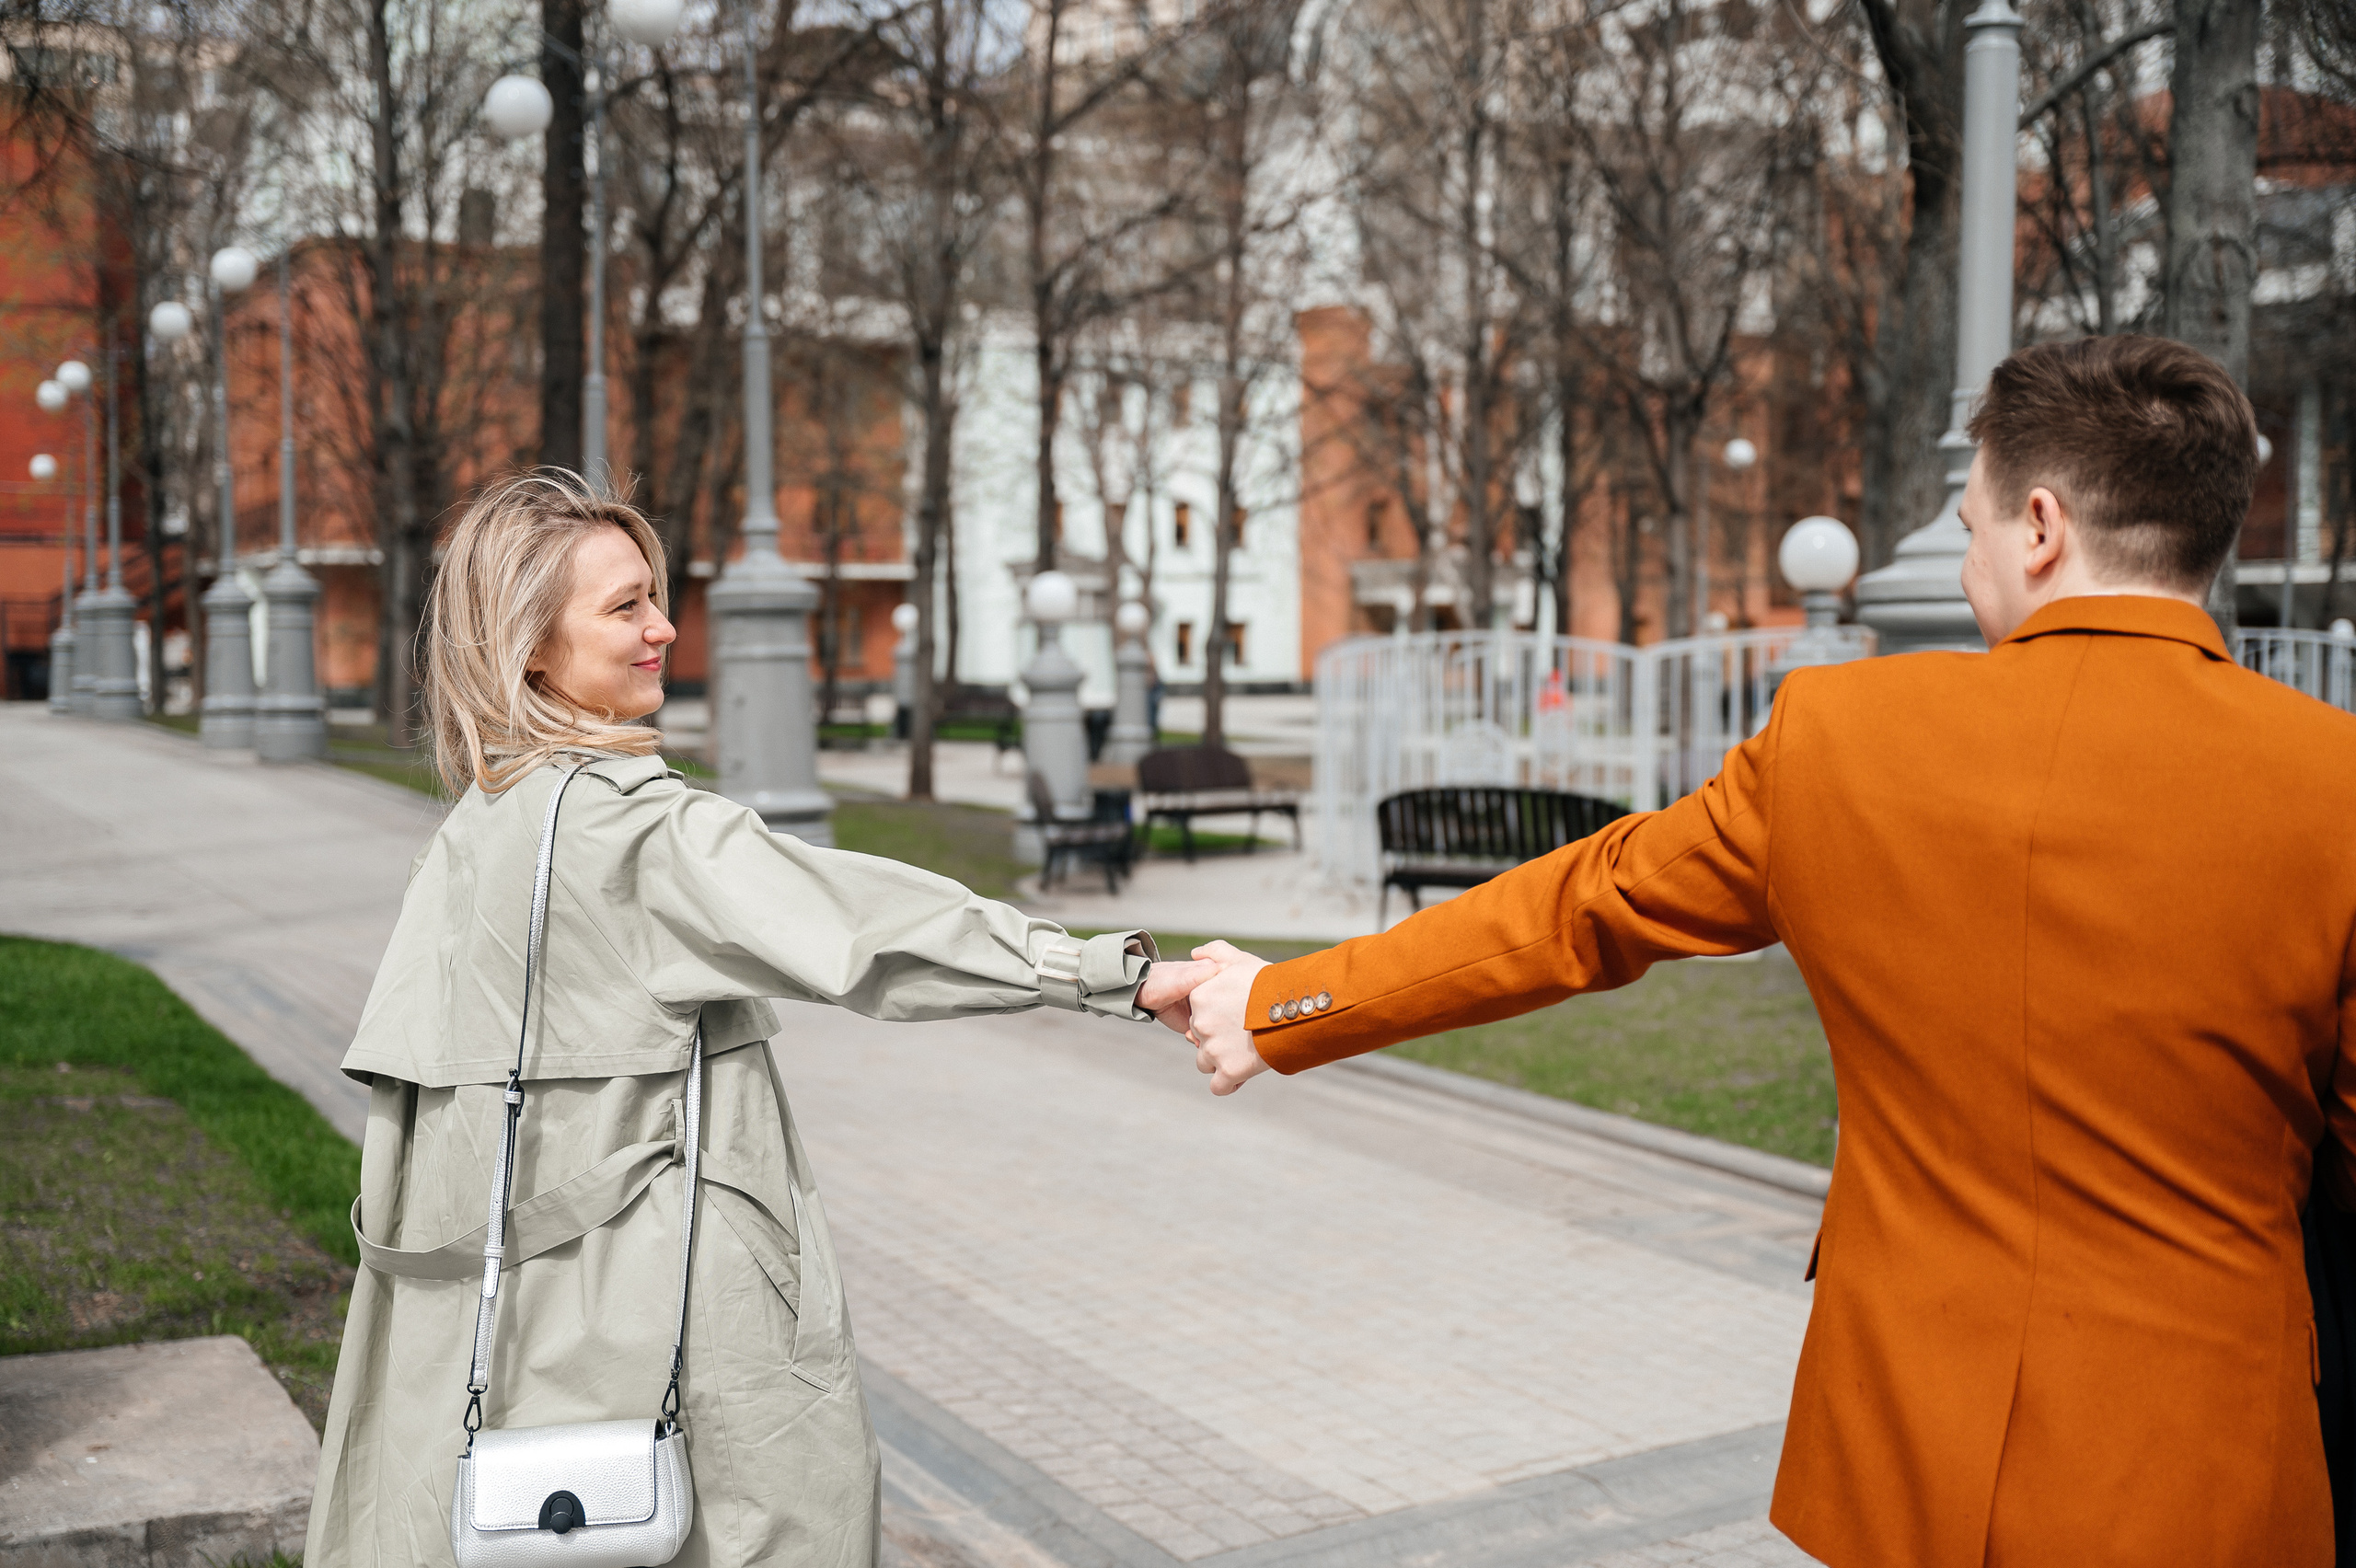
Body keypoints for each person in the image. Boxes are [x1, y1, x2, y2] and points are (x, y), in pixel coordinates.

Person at [1183, 335, 2356, 1567]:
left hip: (1911, 1462)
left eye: (1970, 528)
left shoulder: (1841, 736)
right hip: (2213, 1473)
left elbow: (1580, 909)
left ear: (2041, 529)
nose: (1968, 564)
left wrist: (1279, 1002)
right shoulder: (2331, 780)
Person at [305, 472, 1215, 1567]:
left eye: (654, 598)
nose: (663, 628)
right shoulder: (637, 834)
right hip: (661, 1300)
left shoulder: (474, 830)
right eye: (626, 606)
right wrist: (1107, 974)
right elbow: (863, 927)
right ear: (530, 649)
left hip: (492, 1328)